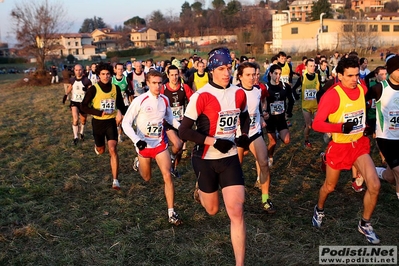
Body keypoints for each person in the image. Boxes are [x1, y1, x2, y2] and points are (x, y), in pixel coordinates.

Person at [179, 47, 250, 266]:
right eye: (221, 68)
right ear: (211, 70)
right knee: (212, 209)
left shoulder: (239, 93)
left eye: (229, 67)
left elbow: (245, 117)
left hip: (229, 158)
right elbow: (184, 131)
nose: (227, 72)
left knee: (236, 211)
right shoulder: (201, 96)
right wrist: (212, 141)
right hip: (204, 159)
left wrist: (244, 135)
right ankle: (200, 189)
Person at [312, 57, 381, 244]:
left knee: (374, 185)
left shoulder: (361, 88)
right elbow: (316, 124)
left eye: (357, 75)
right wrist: (340, 128)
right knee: (330, 187)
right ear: (339, 75)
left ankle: (365, 224)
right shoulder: (332, 95)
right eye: (349, 76)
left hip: (358, 144)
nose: (354, 79)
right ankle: (319, 209)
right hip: (339, 146)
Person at [122, 70, 182, 226]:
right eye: (154, 83)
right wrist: (136, 140)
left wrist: (181, 127)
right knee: (147, 177)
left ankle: (171, 213)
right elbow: (125, 123)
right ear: (147, 83)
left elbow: (170, 118)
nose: (157, 86)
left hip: (160, 144)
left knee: (167, 175)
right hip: (143, 146)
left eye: (159, 83)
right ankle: (138, 161)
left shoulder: (165, 100)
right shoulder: (140, 100)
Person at [235, 62, 274, 213]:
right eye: (248, 75)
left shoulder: (258, 90)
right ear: (240, 76)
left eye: (254, 74)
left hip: (254, 132)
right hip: (238, 135)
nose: (252, 78)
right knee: (237, 168)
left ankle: (265, 199)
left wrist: (262, 117)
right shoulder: (235, 91)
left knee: (264, 163)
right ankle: (236, 199)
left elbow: (257, 105)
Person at [81, 62, 127, 190]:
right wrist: (99, 112)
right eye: (103, 74)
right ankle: (98, 146)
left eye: (108, 74)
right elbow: (83, 106)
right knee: (102, 150)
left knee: (113, 149)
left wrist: (125, 113)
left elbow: (121, 106)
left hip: (111, 122)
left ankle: (115, 181)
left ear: (111, 75)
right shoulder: (93, 89)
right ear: (98, 75)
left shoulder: (115, 88)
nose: (106, 76)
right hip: (98, 123)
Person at [368, 55, 399, 200]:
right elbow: (360, 101)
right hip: (385, 138)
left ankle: (369, 171)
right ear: (391, 70)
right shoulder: (379, 88)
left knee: (391, 177)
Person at [160, 65, 193, 177]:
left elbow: (193, 101)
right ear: (168, 75)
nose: (174, 77)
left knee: (179, 148)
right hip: (168, 122)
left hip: (182, 122)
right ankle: (171, 159)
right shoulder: (163, 89)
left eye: (176, 75)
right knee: (178, 144)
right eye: (172, 75)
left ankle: (174, 167)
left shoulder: (184, 87)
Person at [264, 64, 295, 166]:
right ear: (270, 74)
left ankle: (278, 134)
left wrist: (288, 112)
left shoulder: (285, 86)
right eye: (275, 74)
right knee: (273, 143)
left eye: (279, 74)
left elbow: (291, 100)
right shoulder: (265, 87)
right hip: (270, 120)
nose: (278, 76)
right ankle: (270, 157)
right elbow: (260, 103)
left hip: (281, 118)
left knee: (286, 140)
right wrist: (264, 113)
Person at [292, 58, 319, 148]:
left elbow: (320, 89)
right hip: (306, 107)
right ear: (306, 67)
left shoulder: (317, 76)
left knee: (317, 125)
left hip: (316, 105)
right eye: (310, 66)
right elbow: (293, 89)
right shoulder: (302, 77)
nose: (312, 68)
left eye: (314, 66)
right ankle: (306, 140)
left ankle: (308, 123)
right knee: (309, 126)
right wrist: (295, 95)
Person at [63, 64, 92, 145]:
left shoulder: (86, 80)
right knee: (75, 119)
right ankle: (75, 137)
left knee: (83, 120)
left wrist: (87, 89)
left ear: (82, 70)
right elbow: (70, 87)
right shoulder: (72, 79)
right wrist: (66, 95)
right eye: (76, 70)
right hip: (74, 102)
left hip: (84, 103)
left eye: (80, 70)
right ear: (74, 70)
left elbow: (91, 90)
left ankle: (81, 132)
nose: (78, 72)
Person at [112, 63, 130, 142]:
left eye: (121, 69)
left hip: (124, 102)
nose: (120, 71)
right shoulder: (112, 80)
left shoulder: (126, 79)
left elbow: (130, 91)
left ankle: (119, 135)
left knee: (123, 120)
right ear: (115, 70)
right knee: (118, 119)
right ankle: (114, 133)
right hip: (115, 102)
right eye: (118, 69)